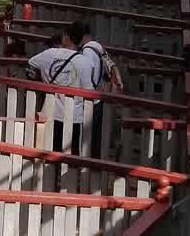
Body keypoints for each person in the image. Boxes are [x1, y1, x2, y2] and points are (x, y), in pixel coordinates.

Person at [28, 19, 121, 155]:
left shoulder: (50, 53)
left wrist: (46, 79)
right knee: (71, 154)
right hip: (75, 117)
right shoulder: (85, 62)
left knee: (48, 152)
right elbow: (89, 93)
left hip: (50, 112)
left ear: (66, 36)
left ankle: (49, 174)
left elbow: (31, 64)